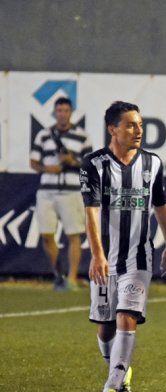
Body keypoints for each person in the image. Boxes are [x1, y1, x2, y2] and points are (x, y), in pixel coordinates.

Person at [80, 101, 166, 392]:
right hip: (106, 258)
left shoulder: (153, 163)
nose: (138, 131)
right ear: (113, 129)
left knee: (127, 315)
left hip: (139, 257)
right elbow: (91, 213)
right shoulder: (94, 165)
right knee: (105, 325)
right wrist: (97, 255)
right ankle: (121, 371)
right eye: (131, 125)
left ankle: (111, 387)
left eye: (140, 125)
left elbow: (161, 204)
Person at [30, 97, 93, 291]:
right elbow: (34, 162)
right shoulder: (43, 135)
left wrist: (72, 161)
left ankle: (72, 279)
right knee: (46, 234)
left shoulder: (82, 136)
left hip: (71, 191)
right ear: (55, 113)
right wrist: (47, 169)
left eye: (66, 110)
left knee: (74, 234)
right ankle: (59, 275)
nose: (62, 114)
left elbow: (90, 165)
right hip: (47, 191)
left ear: (71, 112)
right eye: (59, 111)